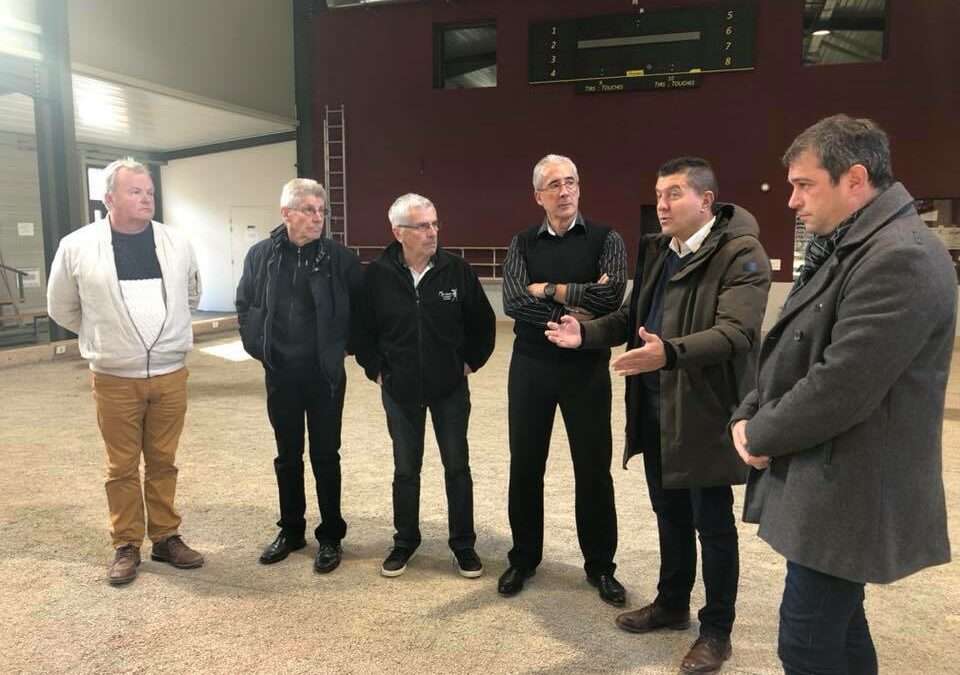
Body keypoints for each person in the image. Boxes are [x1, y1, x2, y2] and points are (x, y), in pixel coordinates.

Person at [730, 114, 955, 675]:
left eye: (804, 185)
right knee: (842, 630)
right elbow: (794, 345)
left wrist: (760, 432)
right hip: (832, 475)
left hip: (852, 485)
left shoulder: (899, 255)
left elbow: (841, 386)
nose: (792, 201)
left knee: (806, 645)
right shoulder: (852, 243)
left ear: (855, 179)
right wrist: (750, 409)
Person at [546, 157, 771, 673]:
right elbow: (632, 316)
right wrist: (587, 333)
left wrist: (668, 353)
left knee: (712, 524)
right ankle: (672, 604)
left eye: (673, 194)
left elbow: (738, 333)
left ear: (705, 200)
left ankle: (717, 631)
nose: (661, 205)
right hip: (652, 403)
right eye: (659, 194)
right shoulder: (658, 249)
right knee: (669, 513)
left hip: (704, 409)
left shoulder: (741, 252)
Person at [47, 159, 204, 585]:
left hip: (170, 373)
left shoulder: (176, 242)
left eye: (149, 191)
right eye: (135, 191)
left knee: (163, 461)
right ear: (109, 198)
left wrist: (167, 338)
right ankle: (126, 543)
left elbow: (191, 293)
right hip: (114, 377)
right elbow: (61, 307)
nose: (146, 198)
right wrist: (105, 336)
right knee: (121, 466)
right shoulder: (77, 246)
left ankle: (166, 537)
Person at [499, 154, 628, 604]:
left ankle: (601, 566)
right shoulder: (521, 244)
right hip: (531, 366)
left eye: (571, 181)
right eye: (554, 184)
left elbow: (612, 297)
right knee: (525, 465)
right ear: (539, 196)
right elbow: (513, 301)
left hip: (586, 366)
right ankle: (523, 558)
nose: (565, 190)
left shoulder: (607, 239)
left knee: (592, 469)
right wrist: (577, 305)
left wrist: (549, 290)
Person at [352, 193, 496, 578]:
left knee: (457, 467)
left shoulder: (456, 271)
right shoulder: (376, 275)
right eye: (421, 226)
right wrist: (377, 371)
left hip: (449, 390)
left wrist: (468, 364)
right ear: (398, 232)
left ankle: (463, 544)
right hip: (399, 391)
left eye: (434, 224)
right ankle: (405, 541)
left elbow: (483, 324)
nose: (432, 232)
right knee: (405, 469)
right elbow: (361, 331)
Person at [236, 178, 361, 574]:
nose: (318, 217)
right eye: (309, 210)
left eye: (322, 211)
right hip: (280, 373)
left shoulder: (341, 258)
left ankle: (331, 536)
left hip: (324, 375)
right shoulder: (261, 255)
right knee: (287, 455)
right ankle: (291, 530)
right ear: (286, 213)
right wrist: (259, 347)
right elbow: (245, 304)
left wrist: (341, 349)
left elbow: (361, 310)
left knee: (326, 456)